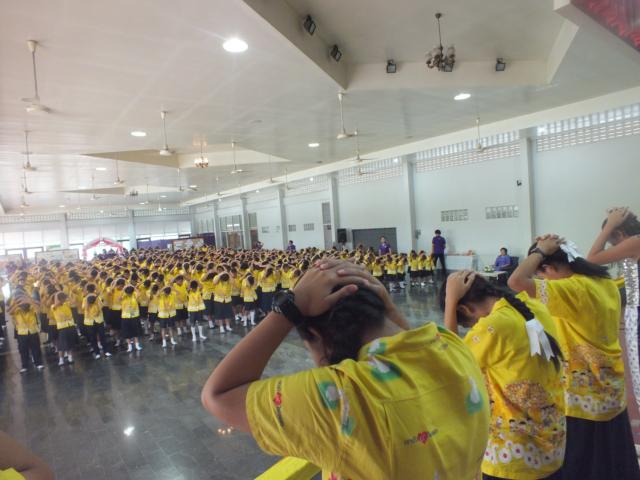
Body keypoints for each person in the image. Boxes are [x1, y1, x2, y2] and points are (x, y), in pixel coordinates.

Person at [201, 260, 490, 479]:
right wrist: (386, 307)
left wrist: (290, 308)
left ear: (318, 337)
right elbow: (413, 343)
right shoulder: (453, 348)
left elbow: (218, 395)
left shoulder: (340, 398)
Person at [508, 234, 640, 479]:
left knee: (583, 464)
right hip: (610, 388)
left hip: (582, 398)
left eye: (542, 275)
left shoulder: (571, 289)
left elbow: (516, 281)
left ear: (548, 268)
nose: (543, 281)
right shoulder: (603, 281)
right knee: (612, 459)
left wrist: (540, 250)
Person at [441, 271, 565, 480]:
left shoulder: (493, 327)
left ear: (465, 309)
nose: (472, 330)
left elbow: (452, 363)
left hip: (513, 456)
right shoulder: (533, 307)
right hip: (552, 443)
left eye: (468, 325)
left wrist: (450, 302)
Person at [8, 297, 44, 373]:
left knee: (36, 348)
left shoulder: (31, 309)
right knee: (23, 350)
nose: (24, 308)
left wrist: (30, 301)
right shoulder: (17, 310)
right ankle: (24, 366)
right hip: (22, 334)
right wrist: (16, 304)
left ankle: (38, 363)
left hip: (33, 332)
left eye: (26, 306)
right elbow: (10, 312)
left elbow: (39, 309)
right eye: (23, 306)